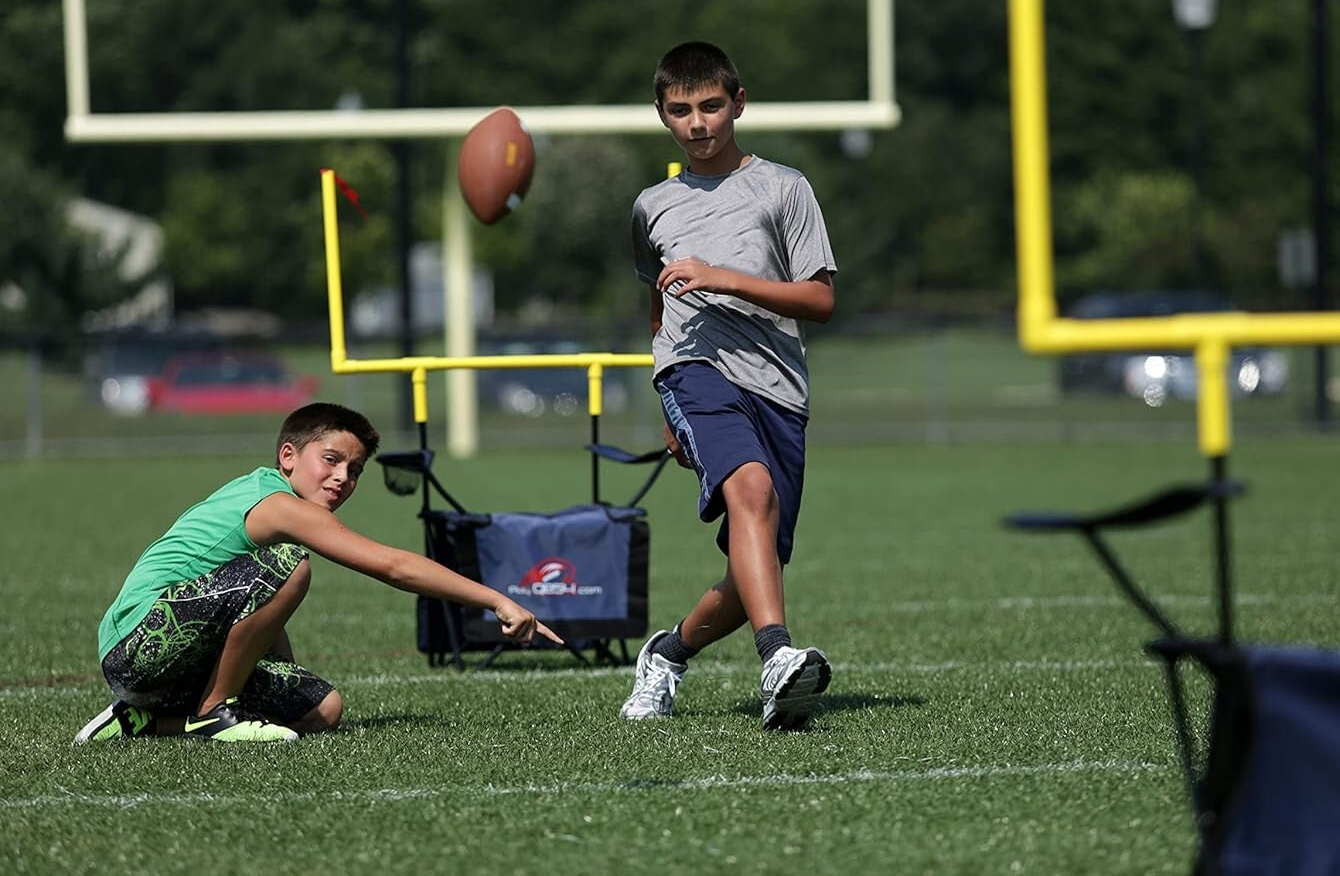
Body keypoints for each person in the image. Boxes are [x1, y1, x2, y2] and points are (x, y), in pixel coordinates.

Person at [75, 401, 562, 743]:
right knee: (291, 567)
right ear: (288, 456)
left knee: (322, 710)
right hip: (136, 647)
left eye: (354, 471)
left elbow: (252, 608)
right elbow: (392, 566)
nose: (341, 479)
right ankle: (210, 714)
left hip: (169, 659)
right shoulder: (278, 504)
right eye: (331, 461)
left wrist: (287, 674)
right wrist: (496, 599)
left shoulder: (278, 502)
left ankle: (140, 721)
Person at [621, 40, 837, 731]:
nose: (698, 123)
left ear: (737, 103)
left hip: (777, 387)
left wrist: (725, 277)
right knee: (752, 490)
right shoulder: (651, 206)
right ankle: (776, 658)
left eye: (710, 105)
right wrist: (668, 397)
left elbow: (819, 299)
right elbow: (659, 301)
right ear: (662, 115)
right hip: (694, 372)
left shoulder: (784, 188)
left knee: (754, 575)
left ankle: (666, 654)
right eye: (680, 110)